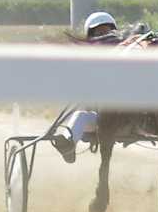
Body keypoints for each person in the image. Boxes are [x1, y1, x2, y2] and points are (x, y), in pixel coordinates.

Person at [53, 11, 137, 162]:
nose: (105, 35)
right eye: (100, 32)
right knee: (80, 116)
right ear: (91, 36)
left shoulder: (126, 54)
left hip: (131, 120)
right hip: (99, 120)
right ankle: (68, 144)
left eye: (108, 31)